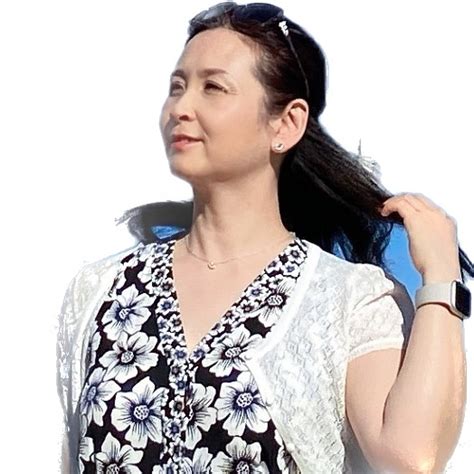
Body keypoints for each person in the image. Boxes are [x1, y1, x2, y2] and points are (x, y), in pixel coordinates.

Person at [56, 2, 473, 473]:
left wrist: (442, 280)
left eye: (213, 87)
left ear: (286, 124)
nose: (180, 108)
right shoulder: (100, 291)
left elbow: (410, 458)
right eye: (177, 86)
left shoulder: (346, 300)